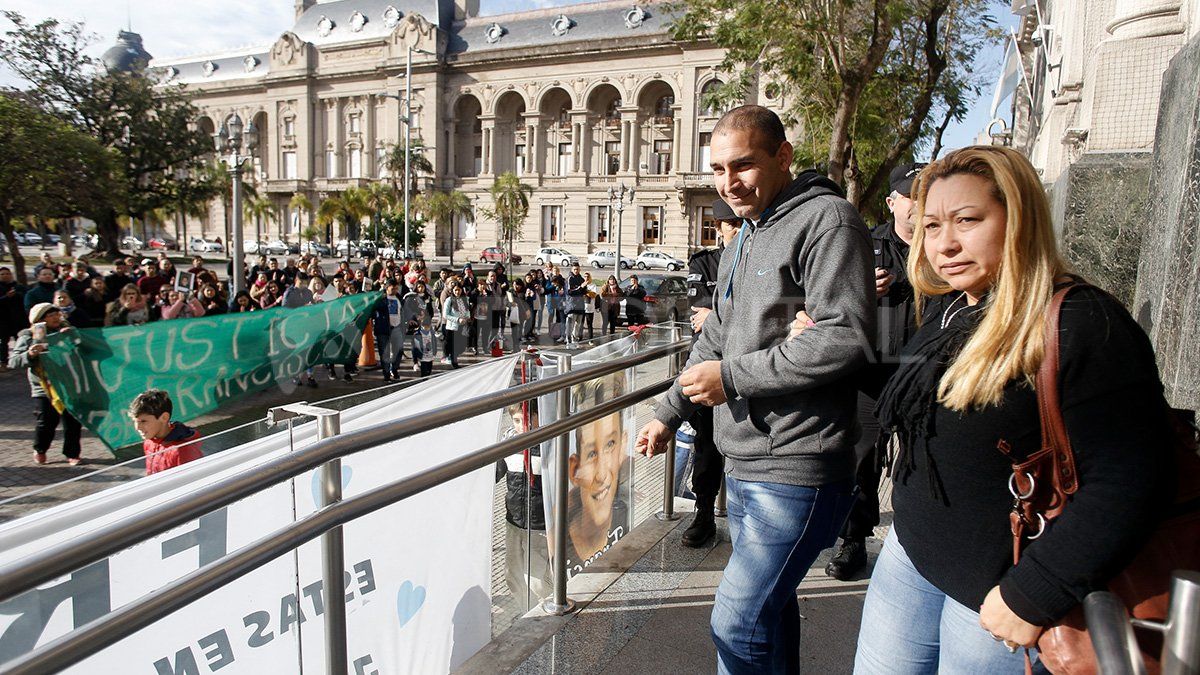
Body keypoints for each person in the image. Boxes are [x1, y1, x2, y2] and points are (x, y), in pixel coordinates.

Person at [844, 147, 1173, 672]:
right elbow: (925, 401)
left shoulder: (1082, 323)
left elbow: (1132, 477)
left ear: (1018, 218)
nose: (944, 243)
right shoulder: (954, 305)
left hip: (998, 594)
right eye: (931, 226)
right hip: (909, 560)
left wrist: (1033, 593)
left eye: (967, 220)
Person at [634, 105, 874, 673]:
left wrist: (735, 378)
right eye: (717, 169)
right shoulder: (746, 234)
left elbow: (845, 337)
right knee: (768, 613)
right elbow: (717, 333)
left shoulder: (828, 220)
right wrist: (669, 410)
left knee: (736, 621)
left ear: (783, 157)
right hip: (743, 461)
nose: (727, 182)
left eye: (742, 165)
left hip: (798, 464)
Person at [825, 162, 924, 581]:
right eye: (912, 194)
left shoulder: (941, 245)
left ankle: (919, 538)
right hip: (870, 371)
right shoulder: (865, 243)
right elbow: (826, 297)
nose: (920, 204)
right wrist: (863, 286)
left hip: (925, 374)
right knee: (860, 458)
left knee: (923, 456)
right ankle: (855, 538)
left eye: (927, 193)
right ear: (892, 202)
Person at [677, 198, 742, 548]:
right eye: (731, 224)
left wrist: (721, 315)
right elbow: (701, 315)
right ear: (718, 228)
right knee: (706, 445)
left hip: (745, 368)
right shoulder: (704, 263)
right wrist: (733, 313)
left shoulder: (757, 256)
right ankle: (704, 513)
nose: (737, 229)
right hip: (707, 367)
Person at [567, 373, 630, 573]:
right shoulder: (558, 541)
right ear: (574, 469)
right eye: (592, 453)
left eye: (610, 444)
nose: (602, 474)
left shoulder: (626, 516)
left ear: (623, 447)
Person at [9, 303, 82, 465]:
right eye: (51, 315)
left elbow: (84, 348)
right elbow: (13, 361)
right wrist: (30, 354)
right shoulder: (28, 336)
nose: (56, 318)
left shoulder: (67, 330)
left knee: (72, 420)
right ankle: (40, 448)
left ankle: (72, 453)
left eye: (58, 314)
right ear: (40, 319)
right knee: (47, 421)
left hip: (68, 384)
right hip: (44, 387)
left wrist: (73, 337)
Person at [129, 389, 203, 475]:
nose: (137, 427)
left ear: (164, 417)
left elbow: (193, 482)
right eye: (135, 421)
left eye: (143, 421)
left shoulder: (183, 450)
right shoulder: (148, 442)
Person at [1, 267, 29, 368]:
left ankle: (23, 360)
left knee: (21, 340)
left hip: (19, 319)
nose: (5, 276)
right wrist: (6, 297)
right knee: (3, 342)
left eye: (7, 274)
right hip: (3, 320)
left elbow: (26, 297)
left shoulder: (19, 287)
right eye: (2, 274)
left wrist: (17, 294)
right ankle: (3, 362)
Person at [441, 282, 469, 368]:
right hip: (452, 327)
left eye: (459, 290)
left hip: (462, 326)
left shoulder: (465, 299)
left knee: (462, 346)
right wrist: (457, 319)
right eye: (455, 290)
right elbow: (445, 315)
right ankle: (454, 362)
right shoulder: (449, 300)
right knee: (454, 345)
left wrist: (467, 318)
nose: (457, 292)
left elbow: (467, 311)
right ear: (453, 290)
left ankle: (452, 356)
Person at [565, 264, 587, 347]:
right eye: (574, 269)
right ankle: (568, 340)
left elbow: (584, 291)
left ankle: (575, 339)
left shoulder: (581, 279)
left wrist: (584, 288)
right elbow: (570, 292)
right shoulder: (569, 279)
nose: (576, 271)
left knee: (578, 325)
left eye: (577, 269)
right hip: (572, 306)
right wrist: (580, 287)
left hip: (580, 305)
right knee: (570, 324)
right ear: (572, 269)